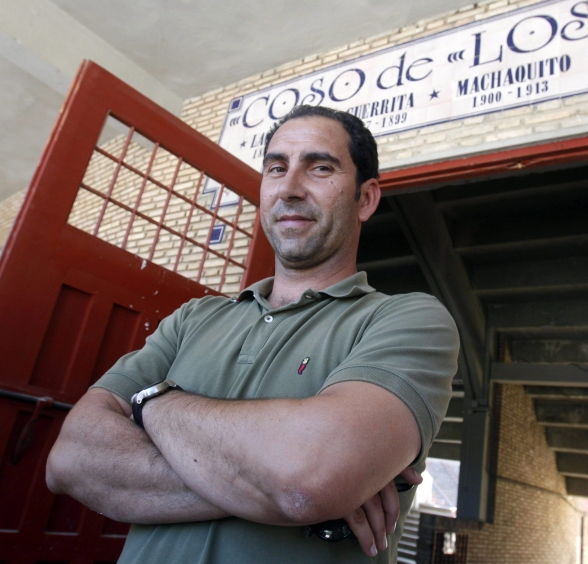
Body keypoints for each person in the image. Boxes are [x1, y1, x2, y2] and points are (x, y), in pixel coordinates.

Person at [45, 105, 460, 564]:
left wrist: (151, 403)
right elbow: (70, 459)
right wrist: (301, 490)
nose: (290, 188)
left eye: (320, 167)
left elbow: (308, 478)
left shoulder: (409, 319)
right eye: (276, 168)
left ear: (365, 199)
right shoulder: (192, 318)